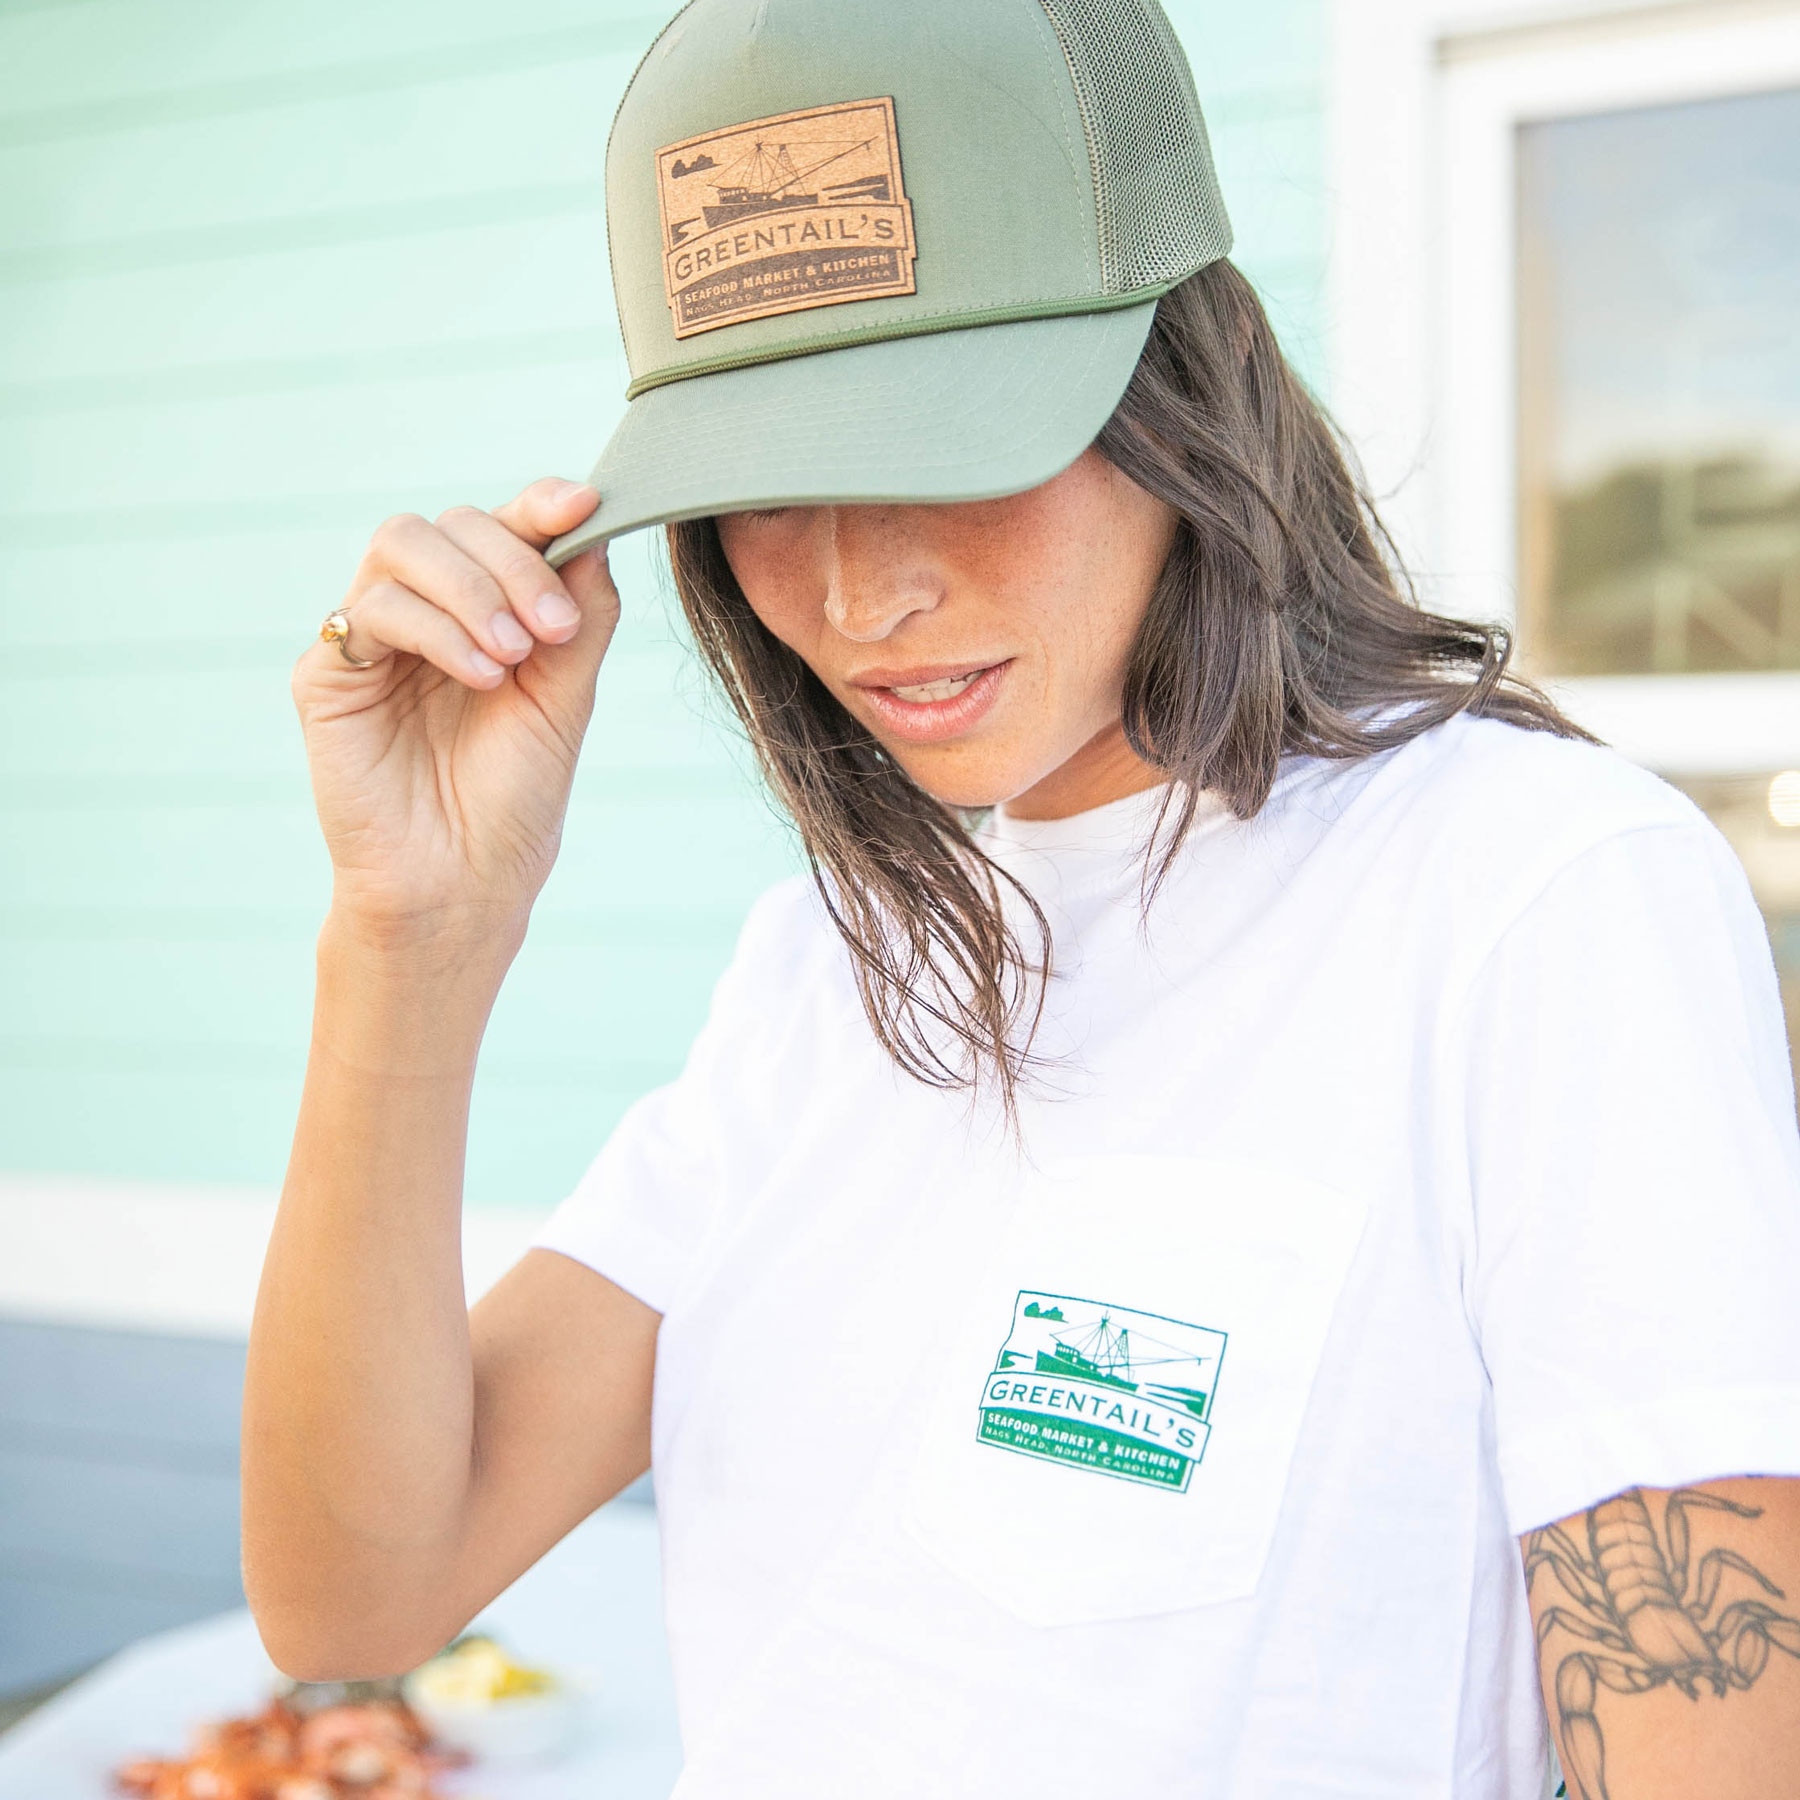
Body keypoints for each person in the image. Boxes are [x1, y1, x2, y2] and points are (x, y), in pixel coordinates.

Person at [242, 0, 1800, 1794]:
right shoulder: (828, 970)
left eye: (948, 441)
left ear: (1180, 389)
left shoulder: (1534, 898)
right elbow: (351, 1601)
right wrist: (409, 939)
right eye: (766, 485)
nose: (853, 592)